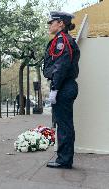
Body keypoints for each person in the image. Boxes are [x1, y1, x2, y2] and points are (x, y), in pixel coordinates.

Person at [43, 11, 80, 169]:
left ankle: (64, 160)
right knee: (65, 124)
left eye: (52, 22)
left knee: (64, 125)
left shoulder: (62, 41)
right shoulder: (62, 39)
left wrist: (55, 89)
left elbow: (61, 66)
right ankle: (64, 158)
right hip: (65, 86)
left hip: (63, 86)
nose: (50, 24)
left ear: (61, 24)